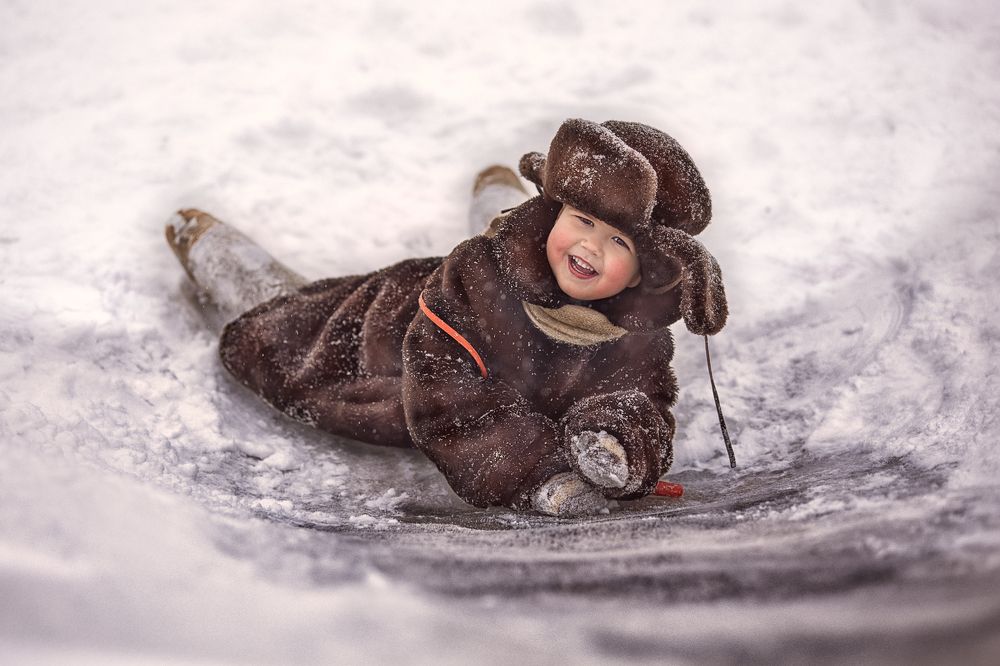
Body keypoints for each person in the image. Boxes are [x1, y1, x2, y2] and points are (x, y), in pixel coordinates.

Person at [165, 118, 728, 517]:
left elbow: (643, 400)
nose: (591, 247)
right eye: (580, 218)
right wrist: (537, 471)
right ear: (555, 208)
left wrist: (618, 444)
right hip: (386, 332)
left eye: (618, 242)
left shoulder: (635, 337)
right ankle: (207, 242)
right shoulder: (475, 280)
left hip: (509, 313)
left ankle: (496, 188)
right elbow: (448, 399)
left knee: (539, 251)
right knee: (285, 325)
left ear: (642, 274)